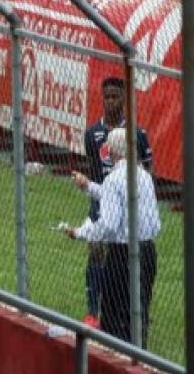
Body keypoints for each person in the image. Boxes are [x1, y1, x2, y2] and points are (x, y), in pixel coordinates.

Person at [67, 128, 161, 347]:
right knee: (140, 310)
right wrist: (89, 186)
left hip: (122, 255)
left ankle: (118, 356)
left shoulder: (113, 180)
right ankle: (140, 355)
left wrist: (80, 232)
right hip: (147, 250)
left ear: (109, 151)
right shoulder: (143, 176)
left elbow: (108, 225)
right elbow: (120, 198)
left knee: (113, 313)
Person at [81, 77, 153, 329]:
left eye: (115, 96)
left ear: (124, 99)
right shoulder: (92, 133)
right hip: (101, 201)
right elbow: (92, 167)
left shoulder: (136, 134)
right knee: (96, 254)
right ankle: (93, 311)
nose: (110, 101)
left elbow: (146, 169)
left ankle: (136, 307)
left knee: (127, 257)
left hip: (127, 205)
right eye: (107, 96)